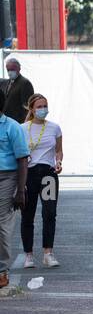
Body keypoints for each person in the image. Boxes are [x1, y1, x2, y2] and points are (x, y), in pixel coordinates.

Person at [19, 94, 61, 268]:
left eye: (45, 106)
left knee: (49, 213)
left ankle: (48, 253)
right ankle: (28, 255)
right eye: (39, 106)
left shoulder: (54, 128)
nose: (43, 109)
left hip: (48, 174)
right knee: (28, 215)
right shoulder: (22, 128)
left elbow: (59, 150)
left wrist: (58, 161)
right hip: (28, 174)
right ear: (31, 109)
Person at [0, 85, 31, 290]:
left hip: (7, 178)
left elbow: (22, 160)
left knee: (1, 224)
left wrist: (20, 190)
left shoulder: (12, 127)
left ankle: (2, 271)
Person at [2, 56, 34, 124]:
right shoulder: (7, 82)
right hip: (6, 121)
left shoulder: (25, 83)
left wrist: (25, 123)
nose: (10, 72)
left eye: (12, 69)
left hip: (18, 122)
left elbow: (28, 107)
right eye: (8, 70)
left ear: (19, 68)